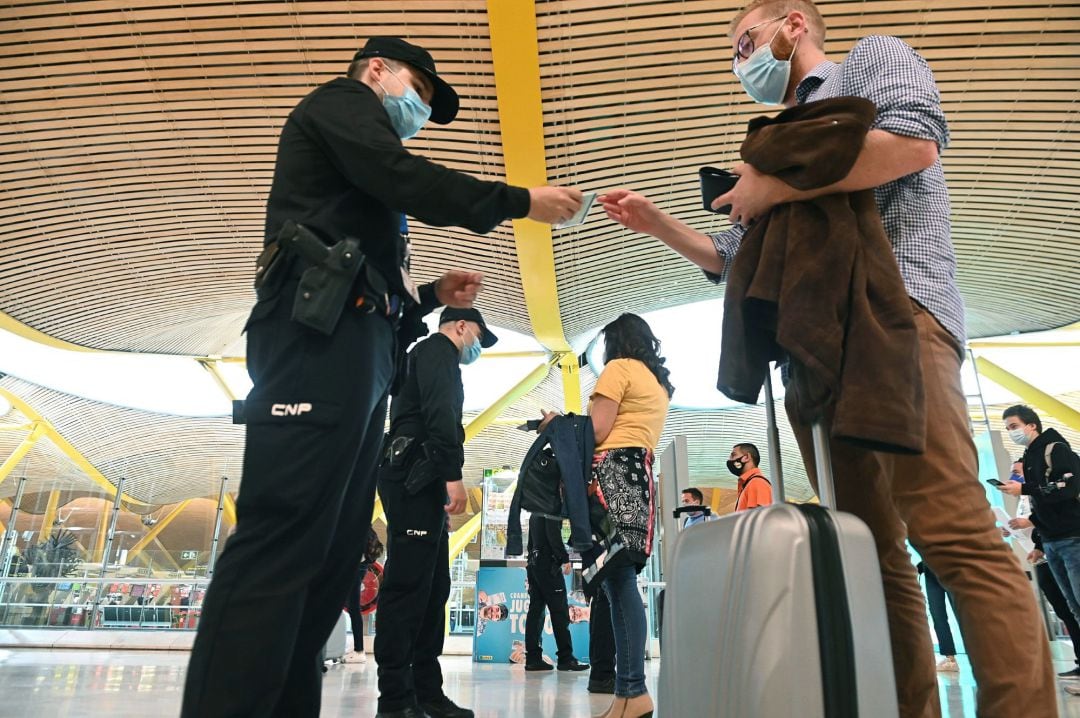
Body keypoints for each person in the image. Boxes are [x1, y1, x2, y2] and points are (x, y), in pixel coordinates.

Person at [600, 2, 1055, 714]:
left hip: (899, 315)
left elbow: (912, 144)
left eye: (745, 40)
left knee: (951, 529)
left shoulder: (869, 62)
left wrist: (770, 186)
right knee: (871, 556)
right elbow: (734, 256)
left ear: (793, 23)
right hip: (814, 354)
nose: (740, 60)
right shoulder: (769, 146)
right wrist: (659, 220)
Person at [180, 35, 582, 718]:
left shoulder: (359, 169)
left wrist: (426, 295)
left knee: (331, 552)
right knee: (284, 536)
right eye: (419, 91)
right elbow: (403, 177)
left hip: (357, 351)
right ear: (376, 71)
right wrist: (517, 200)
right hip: (315, 341)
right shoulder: (340, 104)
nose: (421, 108)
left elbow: (369, 274)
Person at [374, 307, 499, 718]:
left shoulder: (432, 356)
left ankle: (426, 692)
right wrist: (452, 476)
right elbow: (439, 412)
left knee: (433, 590)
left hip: (420, 482)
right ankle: (394, 699)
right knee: (408, 589)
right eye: (478, 336)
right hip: (415, 475)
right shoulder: (436, 351)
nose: (476, 346)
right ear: (461, 326)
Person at [578, 313, 673, 718]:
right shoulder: (657, 383)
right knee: (620, 582)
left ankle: (635, 691)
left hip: (610, 475)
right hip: (638, 475)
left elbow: (598, 431)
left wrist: (559, 425)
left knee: (617, 584)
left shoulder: (617, 369)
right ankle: (626, 696)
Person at [999, 405, 1080, 626]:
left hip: (1072, 537)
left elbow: (1069, 487)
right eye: (1008, 428)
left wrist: (1024, 489)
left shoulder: (1056, 449)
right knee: (1073, 607)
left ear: (1032, 425)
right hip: (1050, 540)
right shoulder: (1029, 455)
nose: (1011, 432)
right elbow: (1044, 503)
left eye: (1014, 426)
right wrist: (1037, 539)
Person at [523, 513, 589, 672]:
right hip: (548, 565)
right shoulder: (550, 507)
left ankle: (533, 658)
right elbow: (553, 534)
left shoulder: (534, 511)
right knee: (559, 612)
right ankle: (566, 658)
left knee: (536, 611)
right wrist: (564, 558)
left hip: (534, 563)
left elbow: (530, 543)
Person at [344, 528, 384, 664]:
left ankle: (359, 650)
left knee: (354, 608)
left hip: (355, 566)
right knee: (352, 608)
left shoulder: (352, 520)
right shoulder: (364, 523)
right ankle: (358, 649)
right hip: (362, 564)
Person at [916, 561, 959, 672]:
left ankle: (982, 655)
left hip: (952, 566)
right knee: (938, 616)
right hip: (930, 571)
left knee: (964, 614)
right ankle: (950, 659)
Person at [728, 443, 772, 512]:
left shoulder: (757, 483)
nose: (729, 460)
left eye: (733, 455)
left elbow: (757, 519)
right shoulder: (749, 484)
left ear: (747, 457)